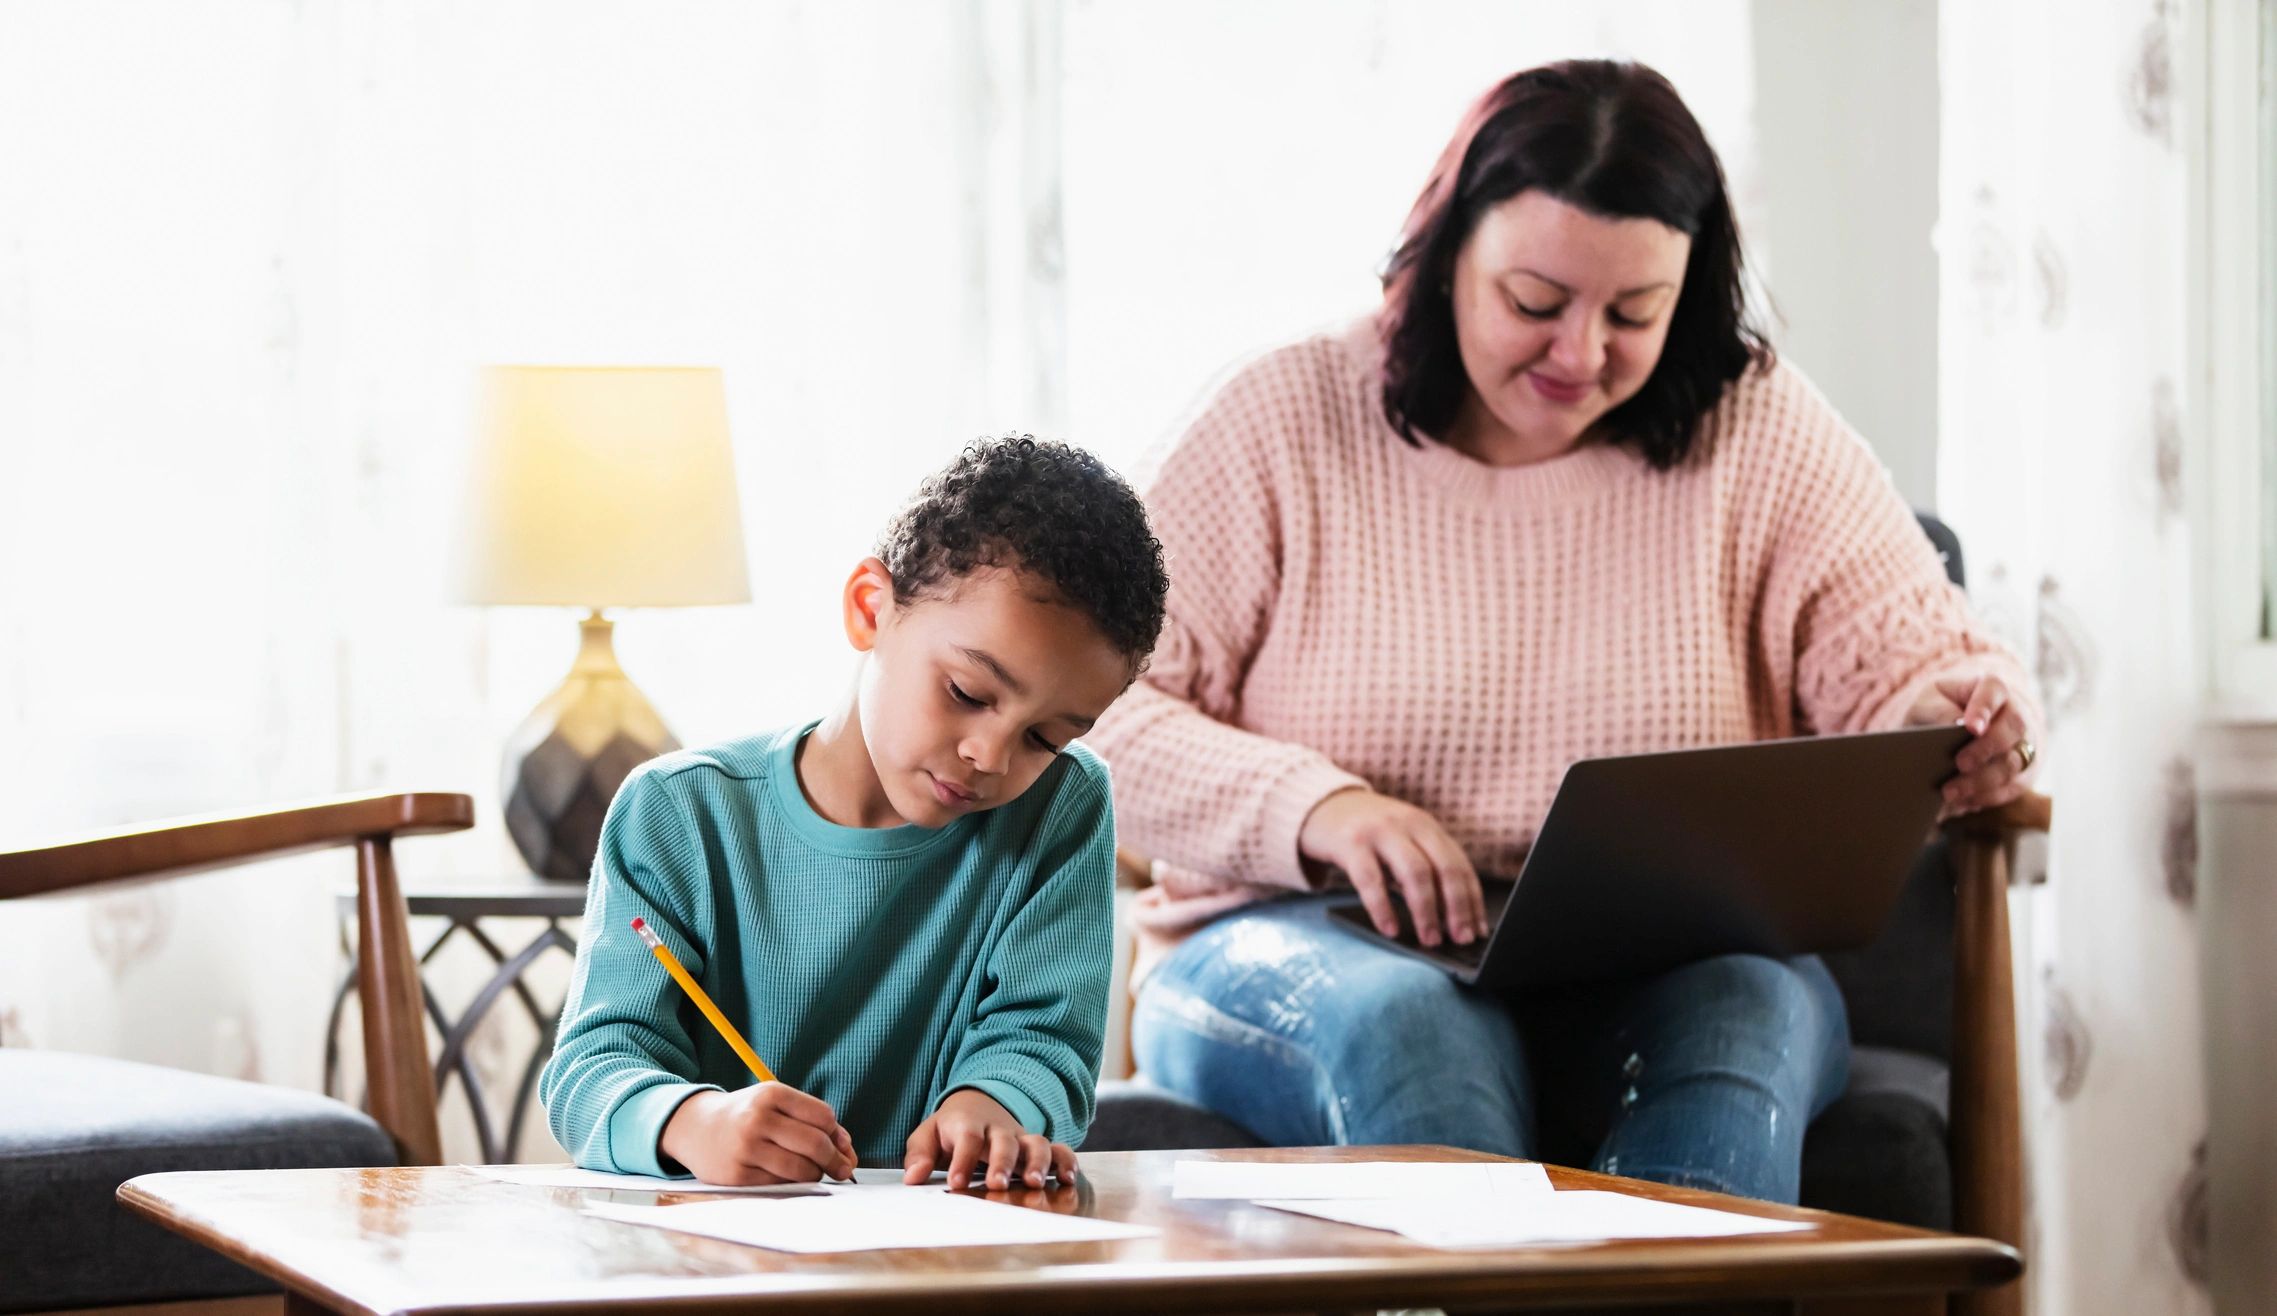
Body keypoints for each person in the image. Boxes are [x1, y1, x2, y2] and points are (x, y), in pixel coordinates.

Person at [1084, 60, 2042, 1204]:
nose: (1580, 354)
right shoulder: (1281, 420)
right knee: (1416, 1029)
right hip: (1298, 948)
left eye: (1636, 312)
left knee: (1746, 1011)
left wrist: (1957, 720)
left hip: (1668, 968)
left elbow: (1920, 670)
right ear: (1443, 261)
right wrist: (1318, 807)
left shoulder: (1758, 430)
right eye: (1535, 302)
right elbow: (1084, 709)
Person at [542, 435, 1168, 1191]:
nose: (992, 757)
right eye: (967, 694)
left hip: (941, 1259)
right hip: (711, 1264)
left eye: (1045, 737)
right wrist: (692, 1123)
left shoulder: (1059, 806)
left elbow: (1043, 1039)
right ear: (871, 609)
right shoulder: (677, 812)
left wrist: (994, 1103)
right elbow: (592, 1065)